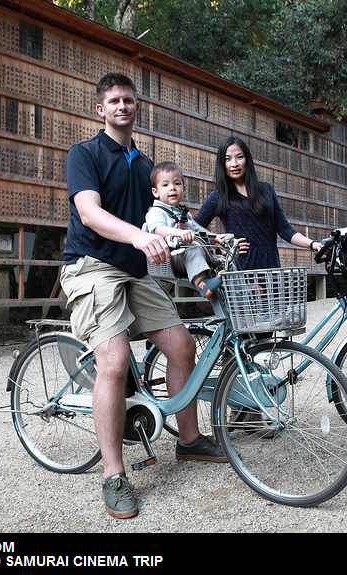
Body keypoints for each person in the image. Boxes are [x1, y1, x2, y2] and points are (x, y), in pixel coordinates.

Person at [60, 73, 226, 520]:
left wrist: (205, 239)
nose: (122, 106)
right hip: (91, 266)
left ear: (137, 107)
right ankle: (113, 474)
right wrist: (138, 237)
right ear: (101, 109)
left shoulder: (145, 164)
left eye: (129, 100)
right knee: (114, 362)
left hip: (134, 271)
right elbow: (89, 213)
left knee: (182, 346)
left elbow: (161, 219)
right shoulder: (85, 153)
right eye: (114, 100)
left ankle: (189, 441)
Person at [194, 135, 321, 269]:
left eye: (239, 157)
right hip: (241, 266)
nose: (234, 164)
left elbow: (284, 228)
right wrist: (216, 239)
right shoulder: (219, 196)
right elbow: (193, 226)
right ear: (222, 163)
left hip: (271, 264)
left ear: (247, 159)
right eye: (227, 159)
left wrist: (312, 244)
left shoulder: (266, 190)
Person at [145, 161, 223, 298]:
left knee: (223, 255)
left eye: (177, 183)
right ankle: (202, 284)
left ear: (184, 188)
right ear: (155, 192)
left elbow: (197, 231)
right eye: (165, 185)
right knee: (193, 247)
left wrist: (216, 238)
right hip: (170, 257)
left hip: (187, 255)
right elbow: (158, 229)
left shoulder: (183, 213)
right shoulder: (155, 212)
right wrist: (179, 233)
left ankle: (240, 286)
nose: (172, 188)